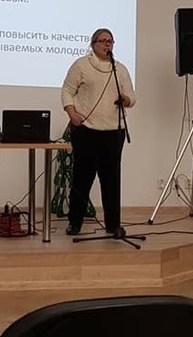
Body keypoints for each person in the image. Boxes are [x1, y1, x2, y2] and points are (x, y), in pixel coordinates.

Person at [60, 28, 136, 237]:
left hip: (114, 132)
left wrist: (126, 100)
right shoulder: (81, 65)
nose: (107, 44)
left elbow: (132, 97)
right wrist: (72, 114)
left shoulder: (119, 69)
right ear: (93, 44)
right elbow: (67, 91)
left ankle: (113, 225)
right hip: (86, 131)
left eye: (110, 41)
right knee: (82, 179)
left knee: (111, 180)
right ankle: (74, 223)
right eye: (102, 41)